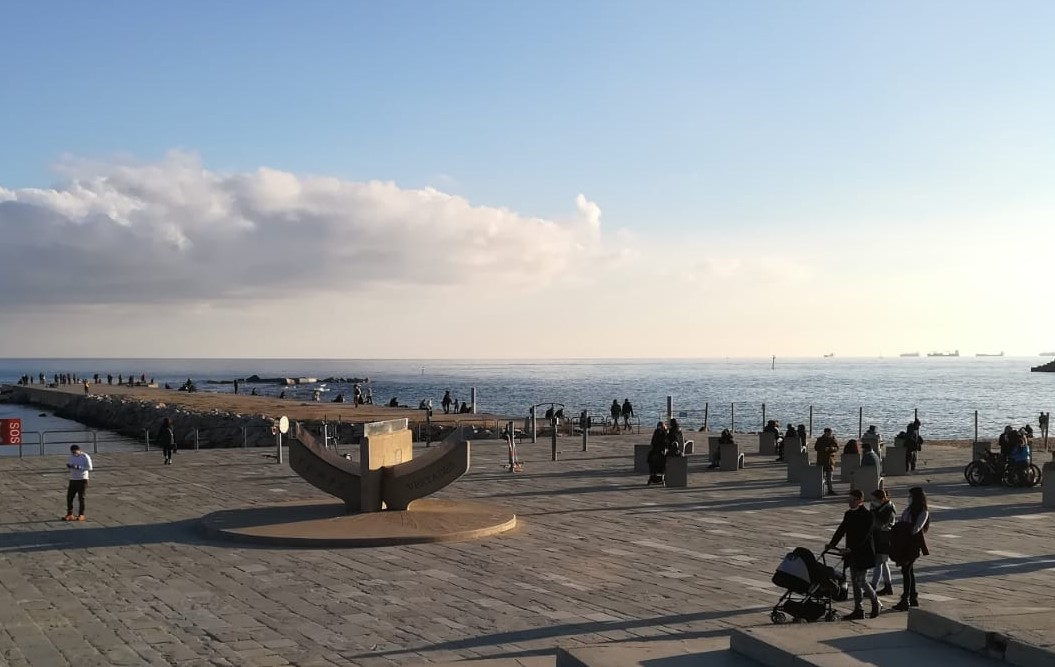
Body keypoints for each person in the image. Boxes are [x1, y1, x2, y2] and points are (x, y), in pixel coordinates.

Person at [828, 489, 881, 620]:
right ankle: (859, 609)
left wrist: (851, 548)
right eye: (849, 499)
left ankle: (876, 601)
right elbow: (841, 530)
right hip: (852, 554)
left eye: (852, 500)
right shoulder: (848, 514)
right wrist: (832, 544)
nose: (849, 502)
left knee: (861, 580)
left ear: (859, 500)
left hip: (864, 553)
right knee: (855, 581)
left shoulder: (868, 515)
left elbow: (864, 536)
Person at [889, 487, 930, 611]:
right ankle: (912, 597)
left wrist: (902, 527)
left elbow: (916, 529)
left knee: (906, 571)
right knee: (908, 571)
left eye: (910, 496)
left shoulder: (923, 512)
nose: (909, 498)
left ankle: (905, 598)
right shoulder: (908, 509)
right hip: (903, 543)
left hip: (912, 545)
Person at [869, 489, 896, 596]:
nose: (873, 501)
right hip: (879, 536)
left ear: (882, 499)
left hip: (884, 537)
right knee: (883, 563)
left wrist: (874, 515)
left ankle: (873, 586)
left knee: (879, 562)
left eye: (875, 499)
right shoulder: (877, 507)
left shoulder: (888, 508)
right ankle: (888, 586)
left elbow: (882, 524)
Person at [64, 445, 93, 521]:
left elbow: (90, 468)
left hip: (82, 479)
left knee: (81, 498)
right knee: (69, 497)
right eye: (72, 452)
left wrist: (79, 467)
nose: (74, 454)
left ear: (79, 450)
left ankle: (81, 514)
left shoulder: (85, 456)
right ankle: (69, 514)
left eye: (75, 452)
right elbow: (70, 464)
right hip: (73, 479)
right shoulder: (71, 457)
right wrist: (70, 466)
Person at [814, 428, 839, 495]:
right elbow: (816, 448)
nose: (829, 434)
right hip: (821, 460)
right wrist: (823, 449)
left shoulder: (833, 439)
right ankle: (819, 490)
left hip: (830, 461)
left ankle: (830, 490)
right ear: (825, 433)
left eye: (829, 433)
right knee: (820, 477)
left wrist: (831, 448)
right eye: (827, 433)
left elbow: (837, 448)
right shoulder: (820, 440)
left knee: (829, 477)